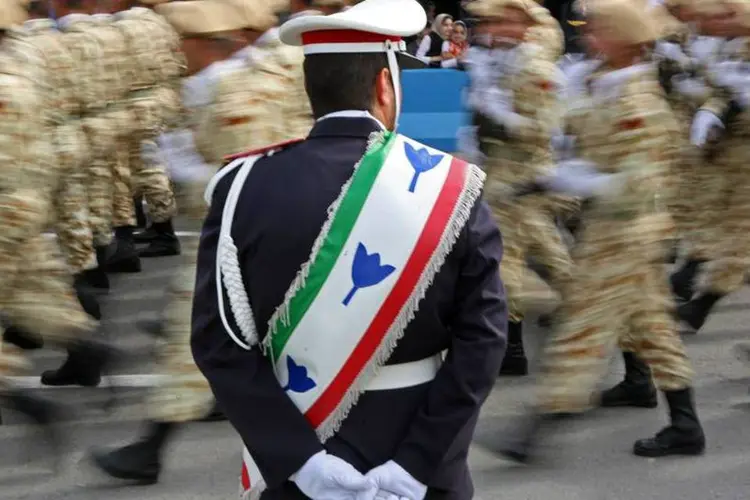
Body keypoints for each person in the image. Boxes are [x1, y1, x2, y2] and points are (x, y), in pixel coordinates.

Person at [191, 0, 508, 498]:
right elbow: (483, 341)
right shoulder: (451, 188)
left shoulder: (242, 186)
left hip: (299, 440)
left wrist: (301, 462)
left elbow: (218, 343)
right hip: (419, 450)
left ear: (310, 89)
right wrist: (416, 463)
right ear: (386, 86)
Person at [89, 0, 296, 485]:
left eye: (181, 45)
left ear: (212, 44)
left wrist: (180, 167)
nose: (176, 55)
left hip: (244, 240)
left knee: (194, 338)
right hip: (246, 237)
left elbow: (244, 182)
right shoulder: (222, 84)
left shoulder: (240, 94)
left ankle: (149, 449)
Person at [496, 0, 705, 462]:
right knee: (653, 329)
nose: (588, 38)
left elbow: (631, 182)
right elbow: (587, 149)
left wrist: (558, 180)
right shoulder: (603, 84)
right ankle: (685, 426)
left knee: (581, 329)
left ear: (626, 42)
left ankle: (532, 433)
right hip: (615, 225)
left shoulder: (638, 102)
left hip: (627, 230)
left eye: (599, 31)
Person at [468, 0, 571, 376]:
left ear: (520, 23)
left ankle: (512, 347)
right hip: (504, 172)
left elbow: (545, 130)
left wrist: (499, 118)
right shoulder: (504, 62)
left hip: (525, 175)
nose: (486, 29)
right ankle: (579, 302)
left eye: (496, 21)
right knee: (545, 249)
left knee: (506, 258)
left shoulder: (535, 67)